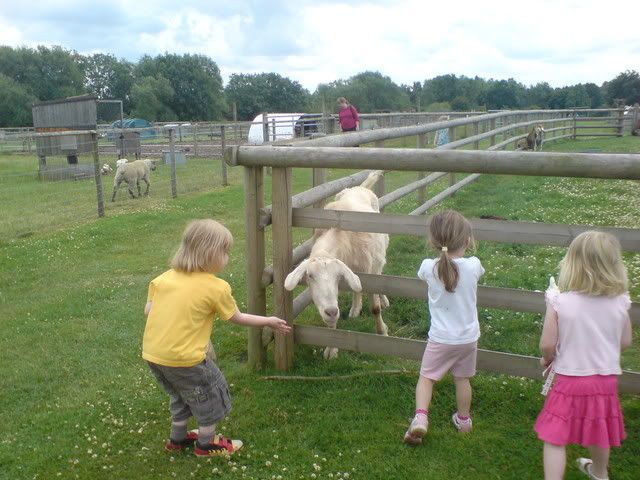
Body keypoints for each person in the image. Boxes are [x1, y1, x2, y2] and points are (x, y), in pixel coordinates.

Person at [143, 219, 291, 457]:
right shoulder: (216, 287)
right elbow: (237, 317)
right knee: (211, 393)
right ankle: (206, 445)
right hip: (186, 358)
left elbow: (149, 310)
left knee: (181, 395)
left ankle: (177, 439)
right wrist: (269, 321)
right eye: (225, 251)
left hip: (154, 356)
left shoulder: (162, 279)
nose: (227, 257)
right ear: (209, 253)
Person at [534, 231, 632, 480]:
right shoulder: (620, 302)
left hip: (570, 380)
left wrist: (548, 358)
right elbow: (626, 341)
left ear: (572, 264)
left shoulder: (560, 302)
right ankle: (599, 474)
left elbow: (547, 344)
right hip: (604, 381)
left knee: (555, 435)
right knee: (600, 428)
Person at [404, 210, 485, 445]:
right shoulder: (474, 265)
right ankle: (464, 420)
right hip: (468, 338)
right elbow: (474, 272)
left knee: (427, 378)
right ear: (468, 240)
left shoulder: (429, 267)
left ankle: (420, 418)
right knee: (462, 379)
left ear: (433, 241)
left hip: (441, 338)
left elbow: (425, 274)